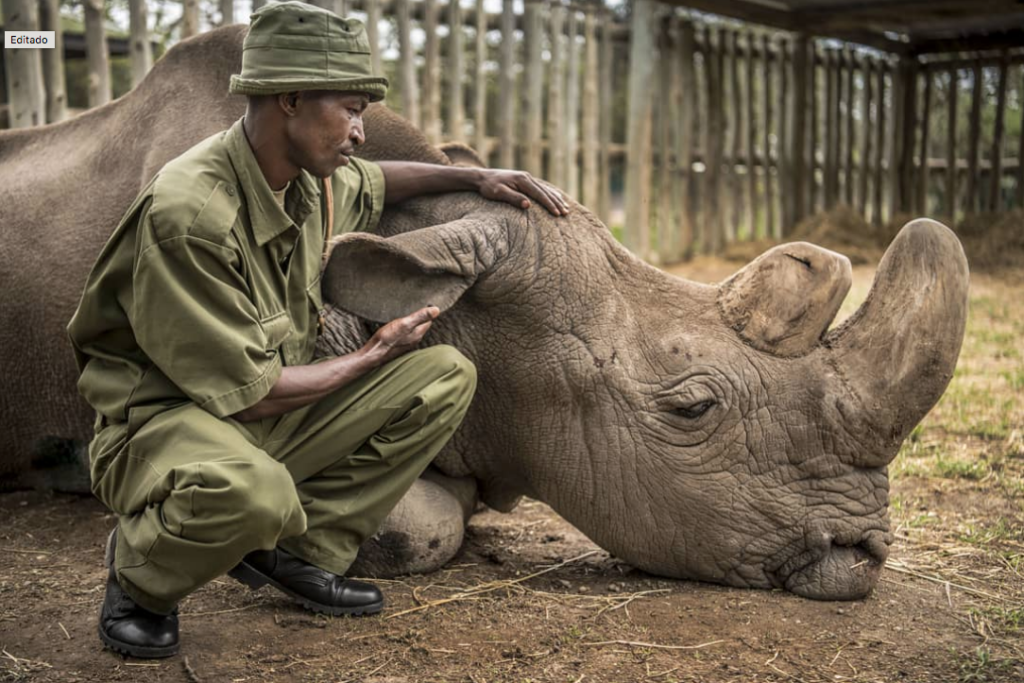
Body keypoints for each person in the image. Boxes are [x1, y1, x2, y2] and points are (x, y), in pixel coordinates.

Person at [67, 1, 568, 659]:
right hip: (162, 425)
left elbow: (378, 180)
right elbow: (253, 395)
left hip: (255, 413)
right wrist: (372, 355)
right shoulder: (192, 213)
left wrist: (476, 174)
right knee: (253, 490)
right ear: (291, 100)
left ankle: (300, 551)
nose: (360, 131)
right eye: (352, 110)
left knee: (442, 379)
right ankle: (139, 573)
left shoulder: (306, 180)